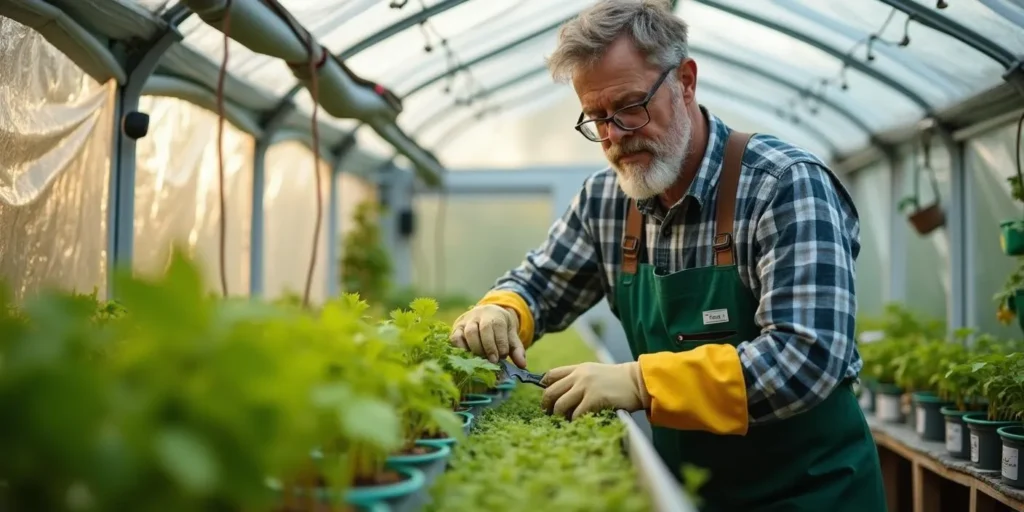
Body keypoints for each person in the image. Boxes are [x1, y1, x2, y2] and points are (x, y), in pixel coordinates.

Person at [448, 1, 886, 510]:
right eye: (596, 118)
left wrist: (638, 380)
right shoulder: (606, 201)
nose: (615, 136)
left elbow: (806, 359)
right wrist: (503, 311)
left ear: (686, 80)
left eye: (631, 106)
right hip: (687, 494)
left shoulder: (783, 185)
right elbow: (541, 283)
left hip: (814, 492)